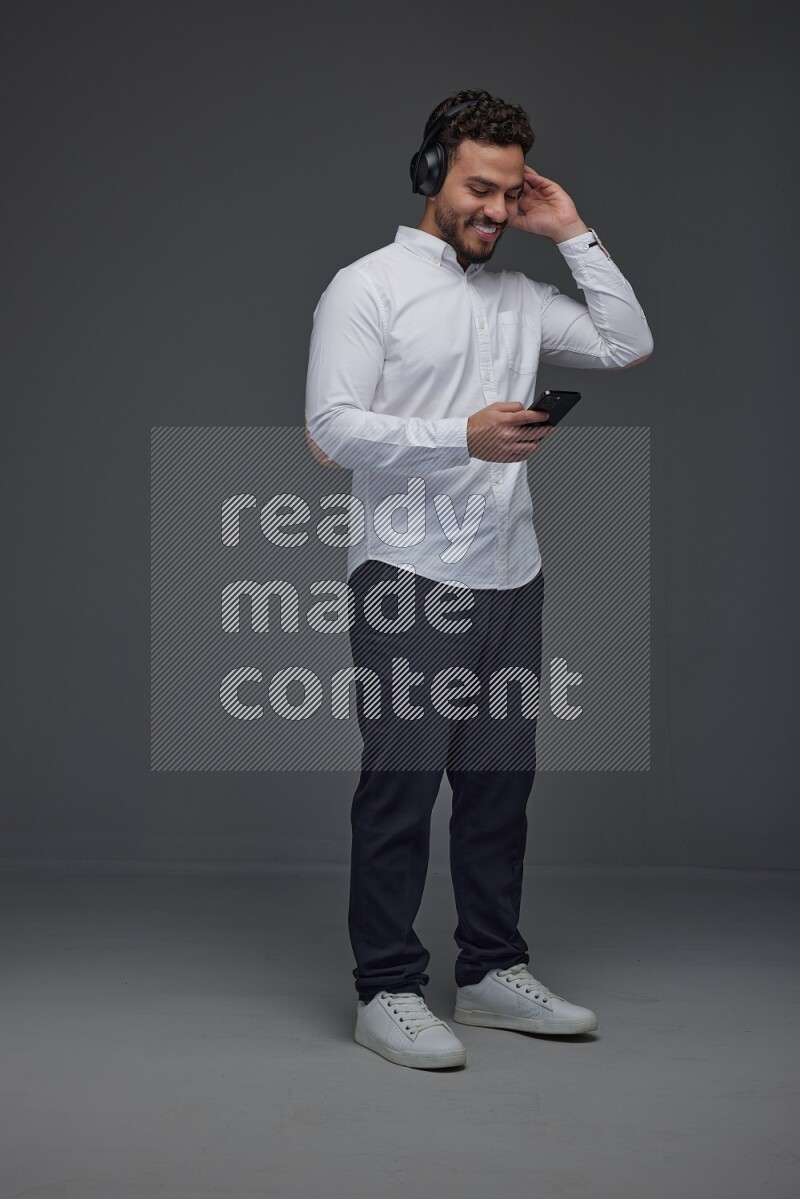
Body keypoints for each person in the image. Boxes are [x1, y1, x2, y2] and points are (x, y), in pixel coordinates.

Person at [305, 88, 653, 1070]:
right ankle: (386, 985)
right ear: (430, 173)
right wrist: (457, 434)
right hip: (406, 572)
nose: (493, 210)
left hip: (510, 572)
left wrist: (573, 230)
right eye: (476, 187)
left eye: (508, 193)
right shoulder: (364, 287)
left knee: (499, 783)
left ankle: (491, 969)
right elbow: (329, 429)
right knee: (401, 789)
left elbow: (627, 342)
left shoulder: (521, 298)